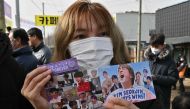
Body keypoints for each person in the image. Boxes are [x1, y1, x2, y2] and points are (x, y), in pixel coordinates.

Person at [21, 1, 133, 109]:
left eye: (103, 34)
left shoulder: (140, 93)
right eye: (81, 36)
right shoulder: (52, 96)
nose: (94, 45)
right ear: (65, 44)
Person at [142, 33, 178, 109]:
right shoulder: (146, 59)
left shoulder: (169, 61)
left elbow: (173, 79)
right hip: (147, 100)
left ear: (163, 46)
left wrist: (156, 78)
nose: (154, 48)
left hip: (162, 100)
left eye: (156, 46)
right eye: (152, 46)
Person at [0, 31, 33, 109]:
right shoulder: (13, 61)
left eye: (11, 40)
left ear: (18, 40)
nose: (11, 42)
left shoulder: (18, 62)